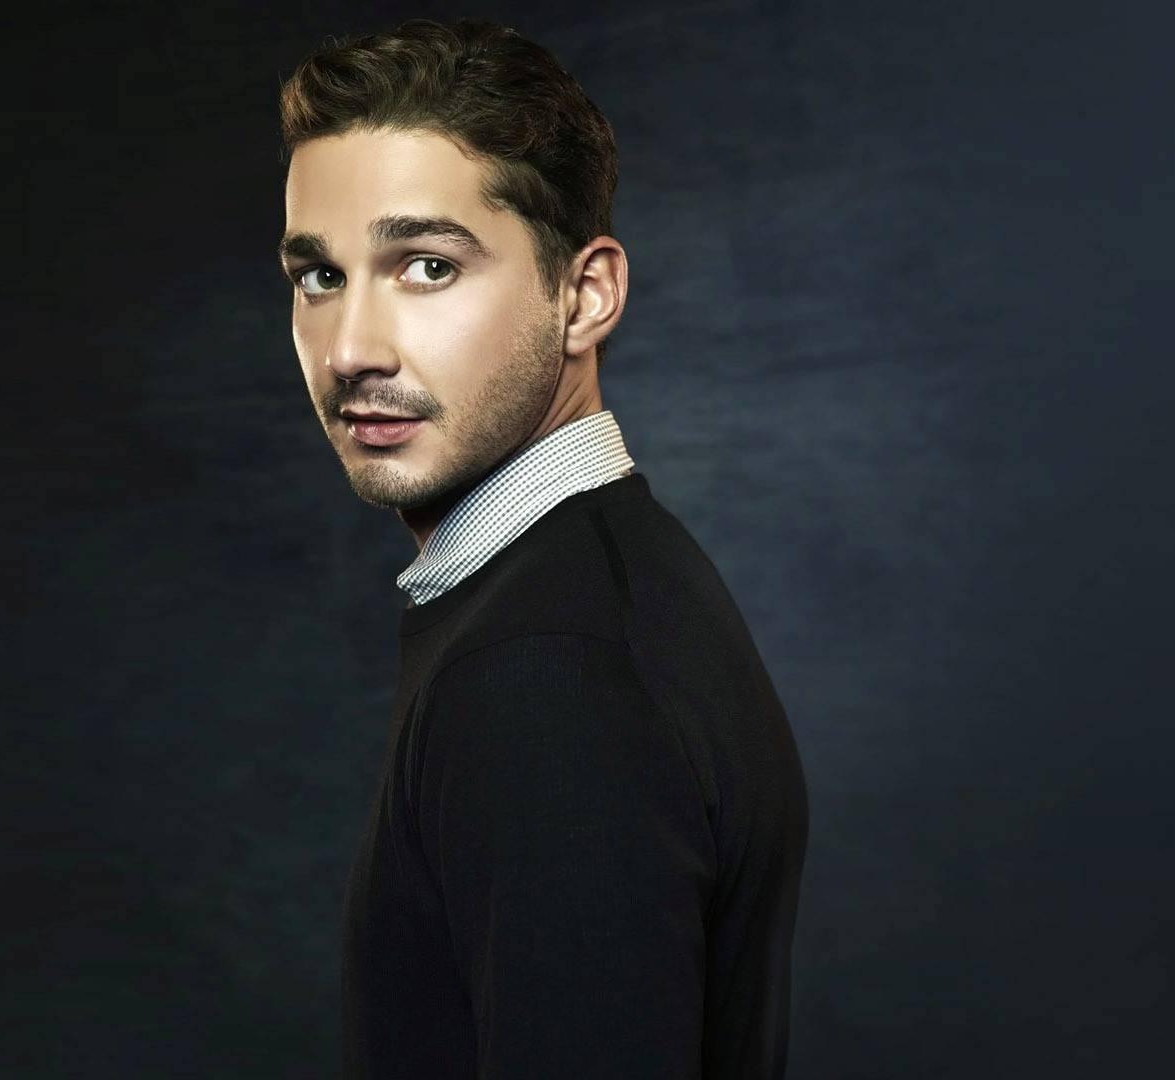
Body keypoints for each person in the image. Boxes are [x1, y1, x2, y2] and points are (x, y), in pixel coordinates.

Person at [277, 17, 809, 1078]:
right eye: (321, 277)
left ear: (585, 295)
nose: (350, 350)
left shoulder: (546, 670)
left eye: (427, 266)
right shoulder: (600, 584)